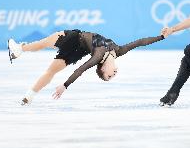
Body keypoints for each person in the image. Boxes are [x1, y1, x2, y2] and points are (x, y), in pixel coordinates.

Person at [8, 29, 164, 105]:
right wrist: (162, 37)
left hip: (75, 39)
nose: (114, 74)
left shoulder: (98, 56)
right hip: (80, 50)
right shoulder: (119, 51)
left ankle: (20, 50)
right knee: (49, 64)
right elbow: (140, 42)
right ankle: (29, 97)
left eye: (109, 76)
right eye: (112, 76)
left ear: (102, 69)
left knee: (46, 47)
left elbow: (80, 70)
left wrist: (65, 85)